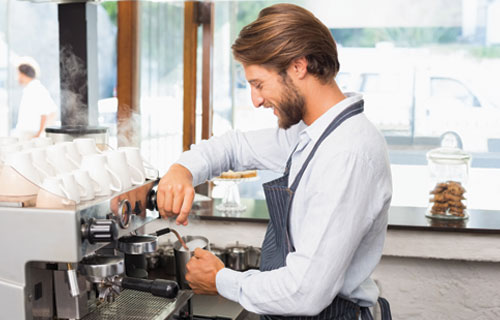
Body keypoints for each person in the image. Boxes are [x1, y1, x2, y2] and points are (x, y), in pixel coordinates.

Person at [157, 4, 392, 319]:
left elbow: (304, 293)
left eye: (258, 84)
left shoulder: (346, 154)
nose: (255, 100)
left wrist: (220, 280)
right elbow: (235, 147)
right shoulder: (311, 133)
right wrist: (182, 171)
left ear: (298, 66)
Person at [15, 57, 57, 140]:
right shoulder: (29, 88)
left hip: (31, 135)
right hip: (27, 134)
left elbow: (47, 113)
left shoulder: (35, 88)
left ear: (23, 74)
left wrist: (38, 134)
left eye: (18, 74)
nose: (17, 77)